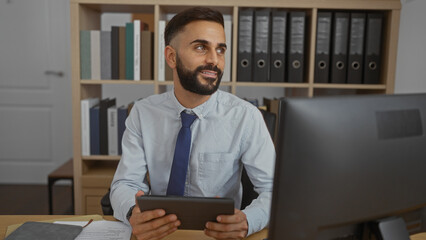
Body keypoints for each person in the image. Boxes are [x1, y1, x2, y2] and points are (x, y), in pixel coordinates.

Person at [110, 7, 275, 240]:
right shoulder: (143, 112)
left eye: (220, 50)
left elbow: (274, 190)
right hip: (159, 234)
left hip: (218, 236)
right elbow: (124, 183)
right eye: (201, 47)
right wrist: (132, 212)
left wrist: (249, 220)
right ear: (171, 56)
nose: (214, 60)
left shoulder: (246, 117)